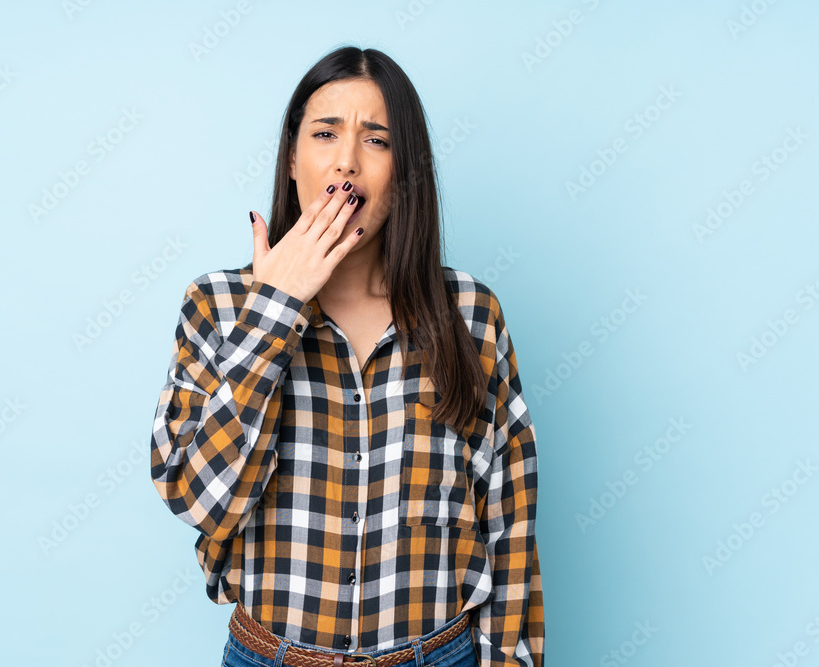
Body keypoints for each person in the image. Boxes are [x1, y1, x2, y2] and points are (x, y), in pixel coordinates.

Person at [150, 45, 543, 667]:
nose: (346, 162)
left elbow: (509, 525)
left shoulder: (471, 313)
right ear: (291, 158)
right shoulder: (218, 306)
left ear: (406, 169)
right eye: (325, 133)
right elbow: (201, 500)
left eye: (377, 140)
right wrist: (276, 307)